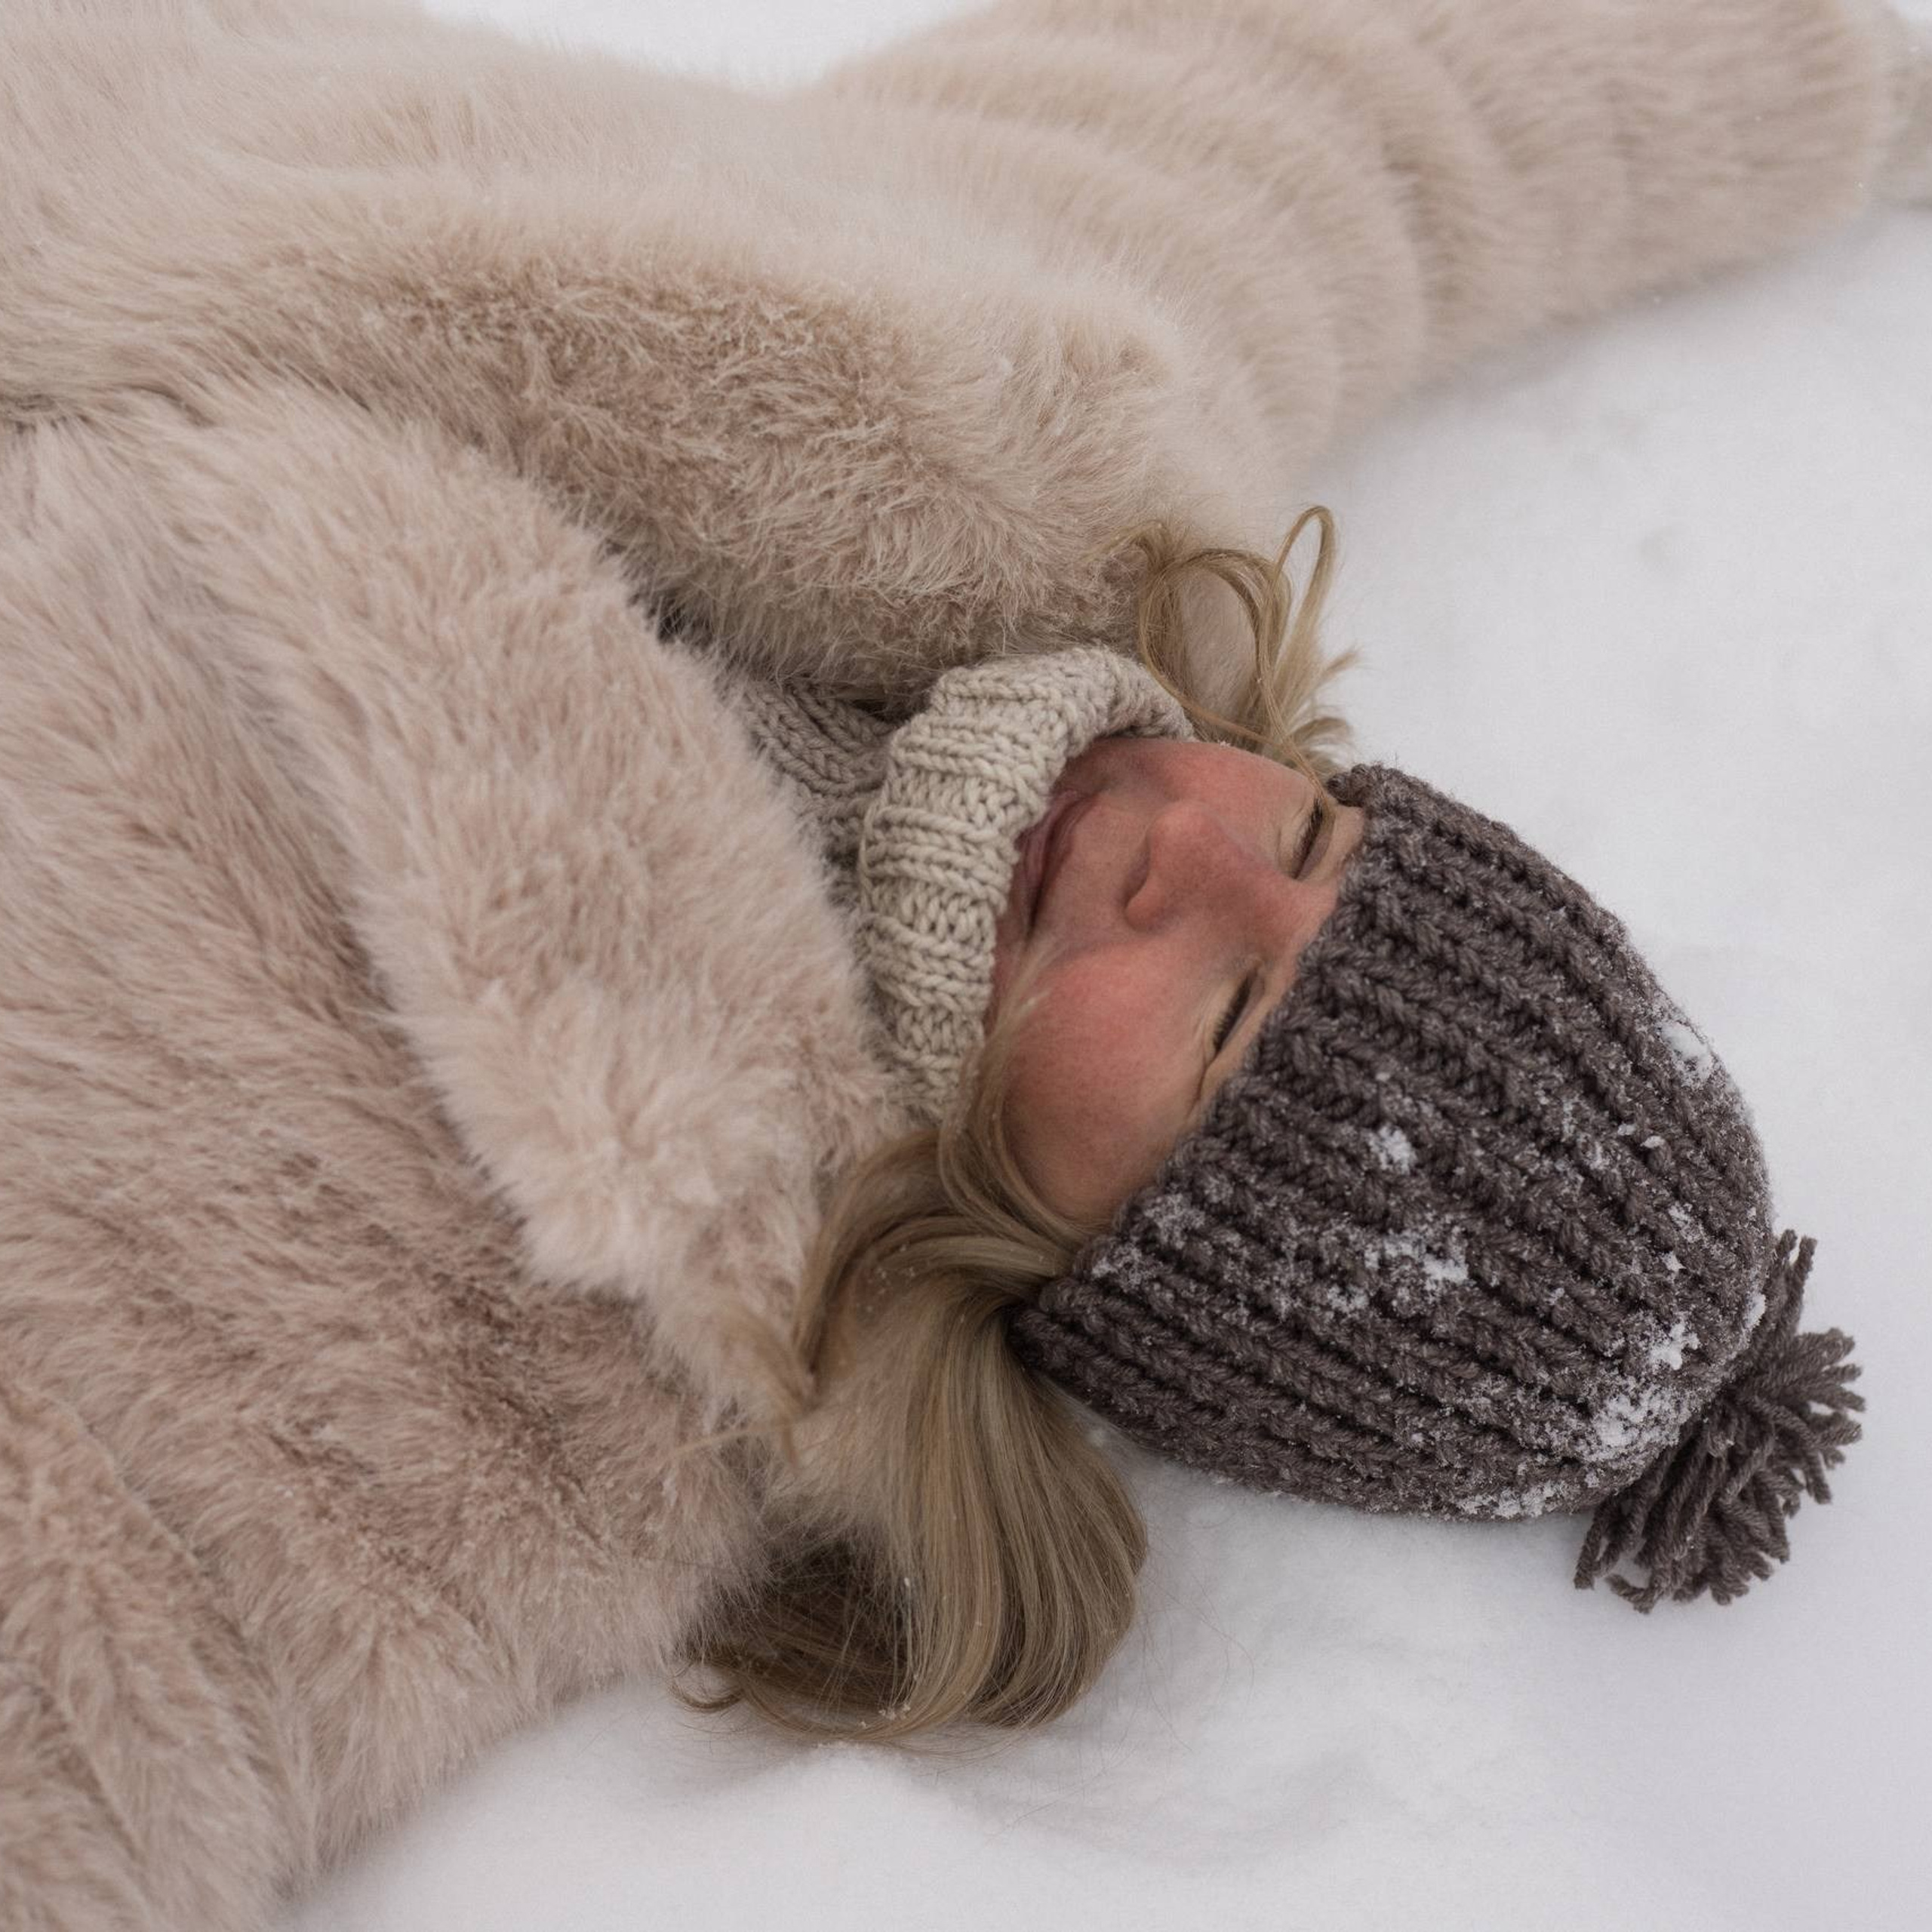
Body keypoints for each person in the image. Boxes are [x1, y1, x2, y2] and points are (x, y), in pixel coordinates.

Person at [2, 0, 1927, 1921]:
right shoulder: (1062, 418)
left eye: (1223, 1018)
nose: (1188, 843)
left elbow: (91, 1687)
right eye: (1309, 838)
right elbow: (1388, 121)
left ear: (1095, 1266)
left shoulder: (530, 1414)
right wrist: (1865, 83)